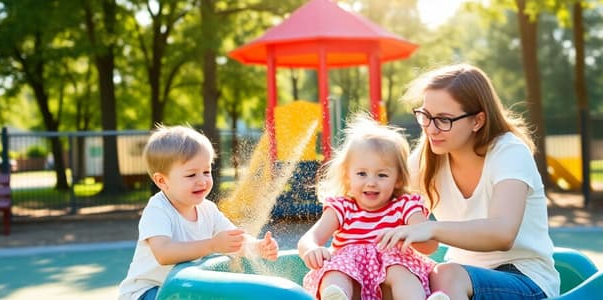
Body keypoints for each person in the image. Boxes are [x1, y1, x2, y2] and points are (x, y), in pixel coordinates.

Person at [376, 63, 560, 300]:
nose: (431, 129)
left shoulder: (509, 151)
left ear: (477, 121)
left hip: (525, 278)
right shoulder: (427, 159)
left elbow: (502, 233)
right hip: (459, 278)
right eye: (425, 116)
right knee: (393, 277)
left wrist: (430, 228)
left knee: (446, 275)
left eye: (443, 119)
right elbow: (380, 205)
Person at [118, 125, 279, 300]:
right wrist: (212, 245)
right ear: (162, 181)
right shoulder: (158, 209)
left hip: (181, 288)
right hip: (148, 291)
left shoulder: (207, 210)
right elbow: (164, 254)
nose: (202, 180)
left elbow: (232, 240)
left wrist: (256, 246)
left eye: (206, 171)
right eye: (191, 175)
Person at [298, 115, 440, 300]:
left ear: (398, 179)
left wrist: (408, 234)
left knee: (400, 270)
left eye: (381, 175)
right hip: (353, 285)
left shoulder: (405, 206)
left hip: (389, 289)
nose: (371, 183)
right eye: (361, 174)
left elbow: (430, 244)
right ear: (347, 176)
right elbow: (310, 238)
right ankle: (335, 297)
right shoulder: (343, 208)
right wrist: (311, 249)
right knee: (335, 270)